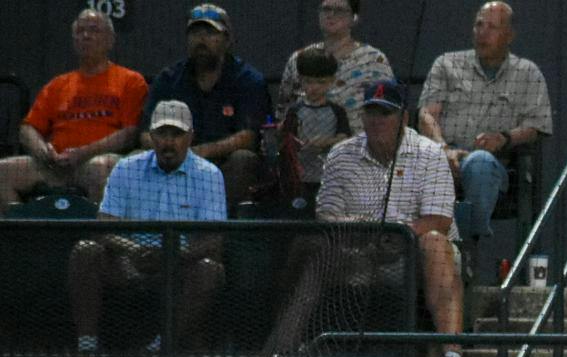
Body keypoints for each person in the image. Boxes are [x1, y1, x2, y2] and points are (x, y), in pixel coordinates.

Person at [313, 80, 468, 357]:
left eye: (385, 113)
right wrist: (365, 234)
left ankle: (452, 356)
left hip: (415, 255)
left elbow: (438, 220)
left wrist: (397, 236)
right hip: (358, 251)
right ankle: (321, 352)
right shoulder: (341, 155)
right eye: (371, 112)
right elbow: (327, 216)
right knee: (314, 249)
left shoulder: (429, 153)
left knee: (436, 245)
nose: (377, 121)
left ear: (404, 118)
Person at [67, 100, 227, 357]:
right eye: (162, 134)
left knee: (210, 270)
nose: (168, 142)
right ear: (151, 136)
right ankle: (87, 347)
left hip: (178, 266)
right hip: (130, 262)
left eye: (177, 134)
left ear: (190, 137)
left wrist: (172, 255)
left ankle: (160, 349)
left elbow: (214, 241)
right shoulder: (126, 168)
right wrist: (133, 250)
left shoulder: (209, 174)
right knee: (86, 251)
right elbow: (103, 225)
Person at [417, 1, 553, 256]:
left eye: (492, 27)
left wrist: (504, 138)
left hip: (494, 163)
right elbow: (426, 114)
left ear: (509, 35)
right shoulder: (447, 64)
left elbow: (536, 126)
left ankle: (465, 244)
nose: (483, 32)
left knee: (479, 163)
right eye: (479, 25)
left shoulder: (527, 73)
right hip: (443, 157)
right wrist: (443, 148)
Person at [0, 8, 146, 209]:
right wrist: (43, 151)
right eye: (80, 31)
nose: (86, 36)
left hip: (95, 162)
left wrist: (83, 153)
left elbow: (130, 134)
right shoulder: (58, 85)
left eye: (94, 30)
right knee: (4, 171)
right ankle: (23, 234)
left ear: (110, 40)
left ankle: (98, 238)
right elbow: (27, 129)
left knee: (99, 168)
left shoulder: (130, 81)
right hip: (54, 165)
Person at [141, 5, 269, 205]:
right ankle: (149, 229)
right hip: (172, 158)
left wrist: (200, 153)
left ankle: (222, 231)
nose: (201, 40)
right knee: (137, 157)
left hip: (222, 161)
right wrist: (174, 151)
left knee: (243, 159)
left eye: (210, 33)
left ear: (227, 39)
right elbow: (145, 133)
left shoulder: (248, 80)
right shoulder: (169, 79)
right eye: (195, 33)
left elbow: (248, 137)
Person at [274, 0, 392, 122]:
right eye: (326, 9)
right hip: (306, 137)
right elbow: (283, 111)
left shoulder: (374, 60)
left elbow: (389, 110)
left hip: (357, 138)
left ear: (354, 18)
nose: (331, 15)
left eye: (339, 10)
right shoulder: (299, 58)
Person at [270, 48, 351, 204]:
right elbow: (287, 137)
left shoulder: (336, 110)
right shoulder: (295, 110)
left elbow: (344, 137)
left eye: (321, 82)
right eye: (308, 81)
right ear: (300, 80)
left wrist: (325, 142)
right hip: (298, 175)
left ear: (332, 81)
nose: (314, 87)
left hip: (328, 175)